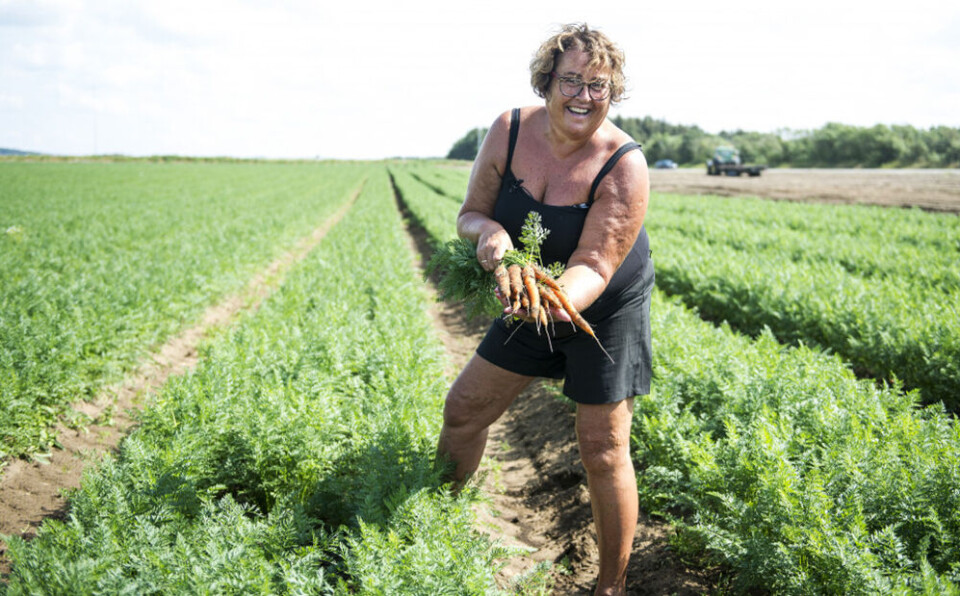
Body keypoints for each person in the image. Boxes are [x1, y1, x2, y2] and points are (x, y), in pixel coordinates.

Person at [436, 23, 653, 596]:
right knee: (463, 412)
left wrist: (551, 302)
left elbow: (595, 267)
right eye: (572, 80)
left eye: (599, 86)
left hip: (599, 305)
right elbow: (470, 214)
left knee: (603, 448)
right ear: (547, 82)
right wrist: (491, 238)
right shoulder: (508, 131)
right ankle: (431, 528)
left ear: (613, 92)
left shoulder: (623, 163)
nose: (584, 96)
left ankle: (611, 586)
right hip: (526, 287)